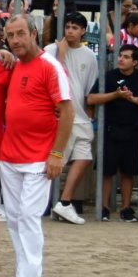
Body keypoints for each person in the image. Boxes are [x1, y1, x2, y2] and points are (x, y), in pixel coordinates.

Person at [0, 14, 73, 277]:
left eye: (20, 34)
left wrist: (56, 153)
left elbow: (66, 111)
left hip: (38, 158)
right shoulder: (15, 65)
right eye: (10, 35)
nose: (15, 40)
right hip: (10, 155)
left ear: (33, 33)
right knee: (16, 220)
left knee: (28, 217)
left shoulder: (49, 66)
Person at [88, 45, 138, 222]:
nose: (121, 59)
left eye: (126, 57)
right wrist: (116, 95)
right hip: (110, 131)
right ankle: (103, 207)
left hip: (133, 132)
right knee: (106, 171)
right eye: (120, 56)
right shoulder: (109, 77)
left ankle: (126, 209)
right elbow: (91, 98)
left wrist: (134, 99)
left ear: (135, 62)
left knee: (128, 173)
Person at [48, 12, 99, 226]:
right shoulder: (51, 50)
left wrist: (89, 114)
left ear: (83, 31)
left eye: (75, 27)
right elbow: (50, 78)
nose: (70, 30)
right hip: (60, 115)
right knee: (54, 163)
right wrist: (60, 53)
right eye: (67, 26)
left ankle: (64, 202)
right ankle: (44, 203)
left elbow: (89, 89)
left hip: (80, 116)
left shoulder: (89, 55)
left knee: (85, 157)